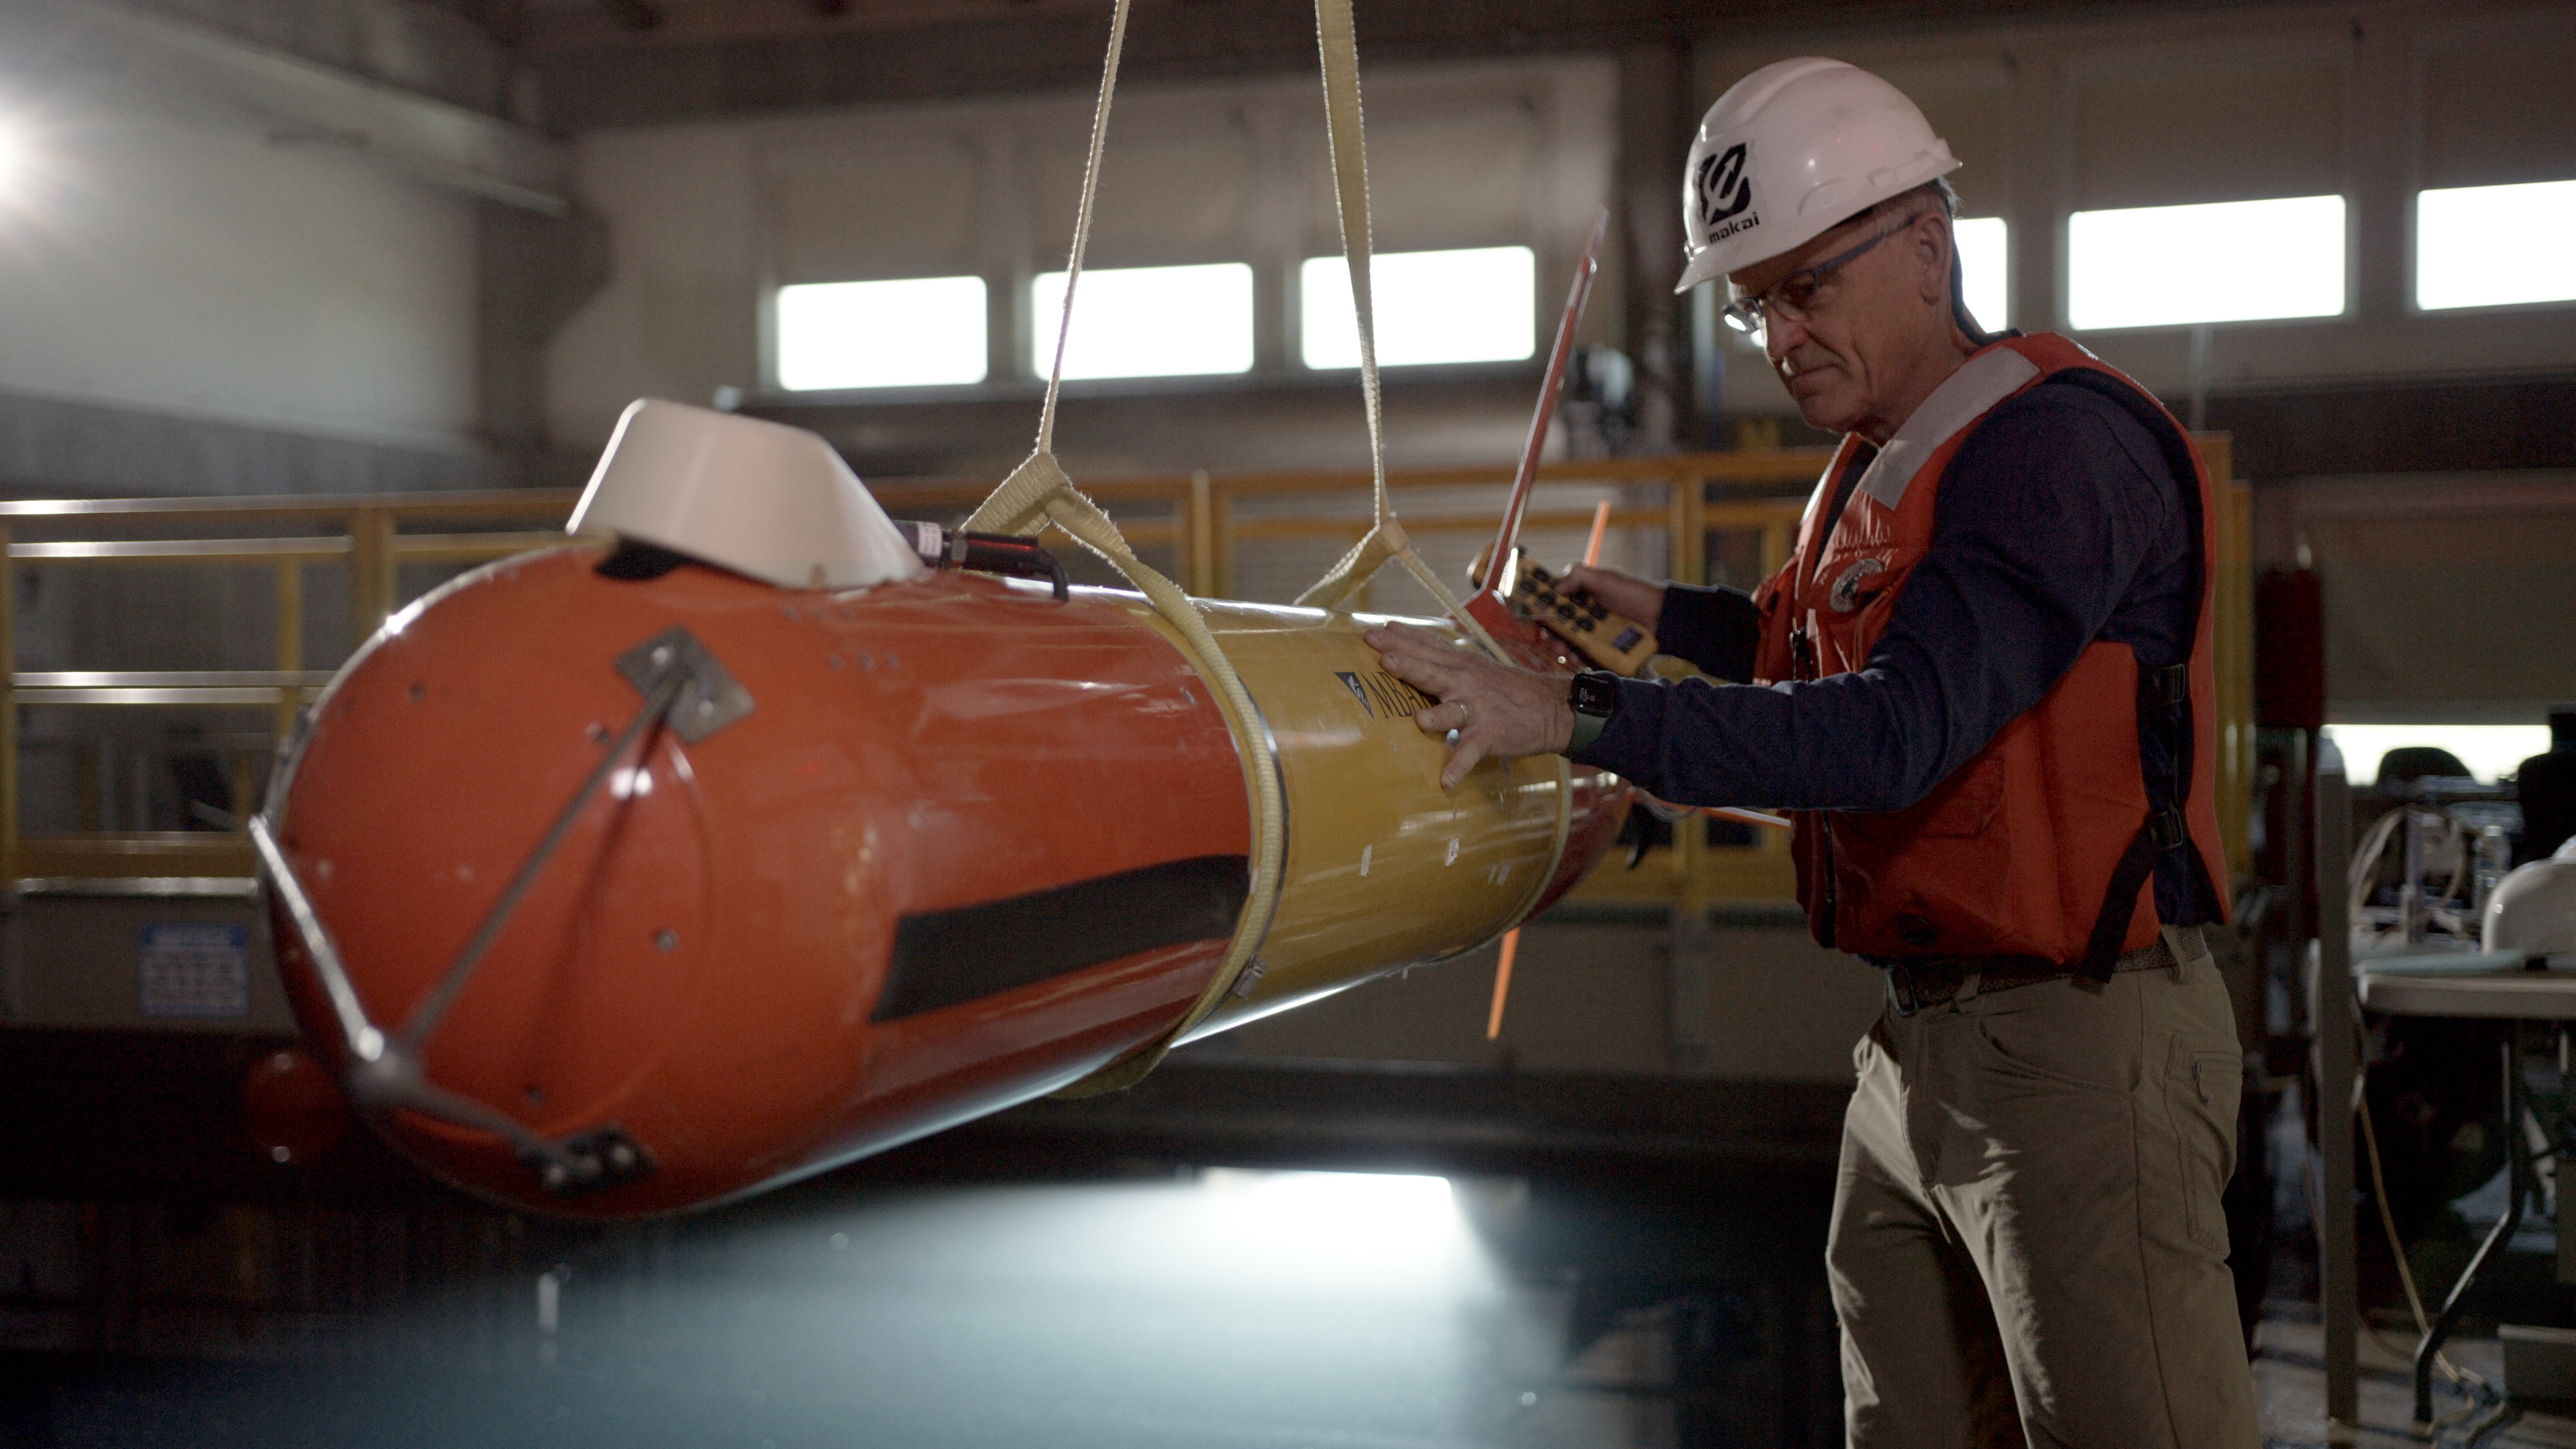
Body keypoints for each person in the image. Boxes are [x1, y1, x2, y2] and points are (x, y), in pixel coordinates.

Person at [1366, 56, 2259, 1448]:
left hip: (2082, 1048)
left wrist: (1574, 716)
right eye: (1753, 303)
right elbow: (1828, 660)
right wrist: (1664, 621)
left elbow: (1897, 726)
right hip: (1921, 1049)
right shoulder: (1884, 464)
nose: (1778, 335)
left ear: (1926, 243)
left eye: (1806, 286)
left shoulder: (2056, 456)